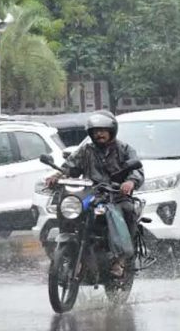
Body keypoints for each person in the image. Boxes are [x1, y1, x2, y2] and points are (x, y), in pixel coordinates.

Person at [46, 111, 144, 277]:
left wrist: (130, 182)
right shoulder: (85, 150)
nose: (99, 134)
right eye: (95, 131)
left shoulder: (124, 149)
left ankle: (120, 258)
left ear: (111, 131)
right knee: (69, 209)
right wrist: (56, 176)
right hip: (91, 195)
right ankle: (71, 252)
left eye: (103, 130)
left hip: (116, 195)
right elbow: (69, 167)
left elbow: (137, 171)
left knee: (127, 210)